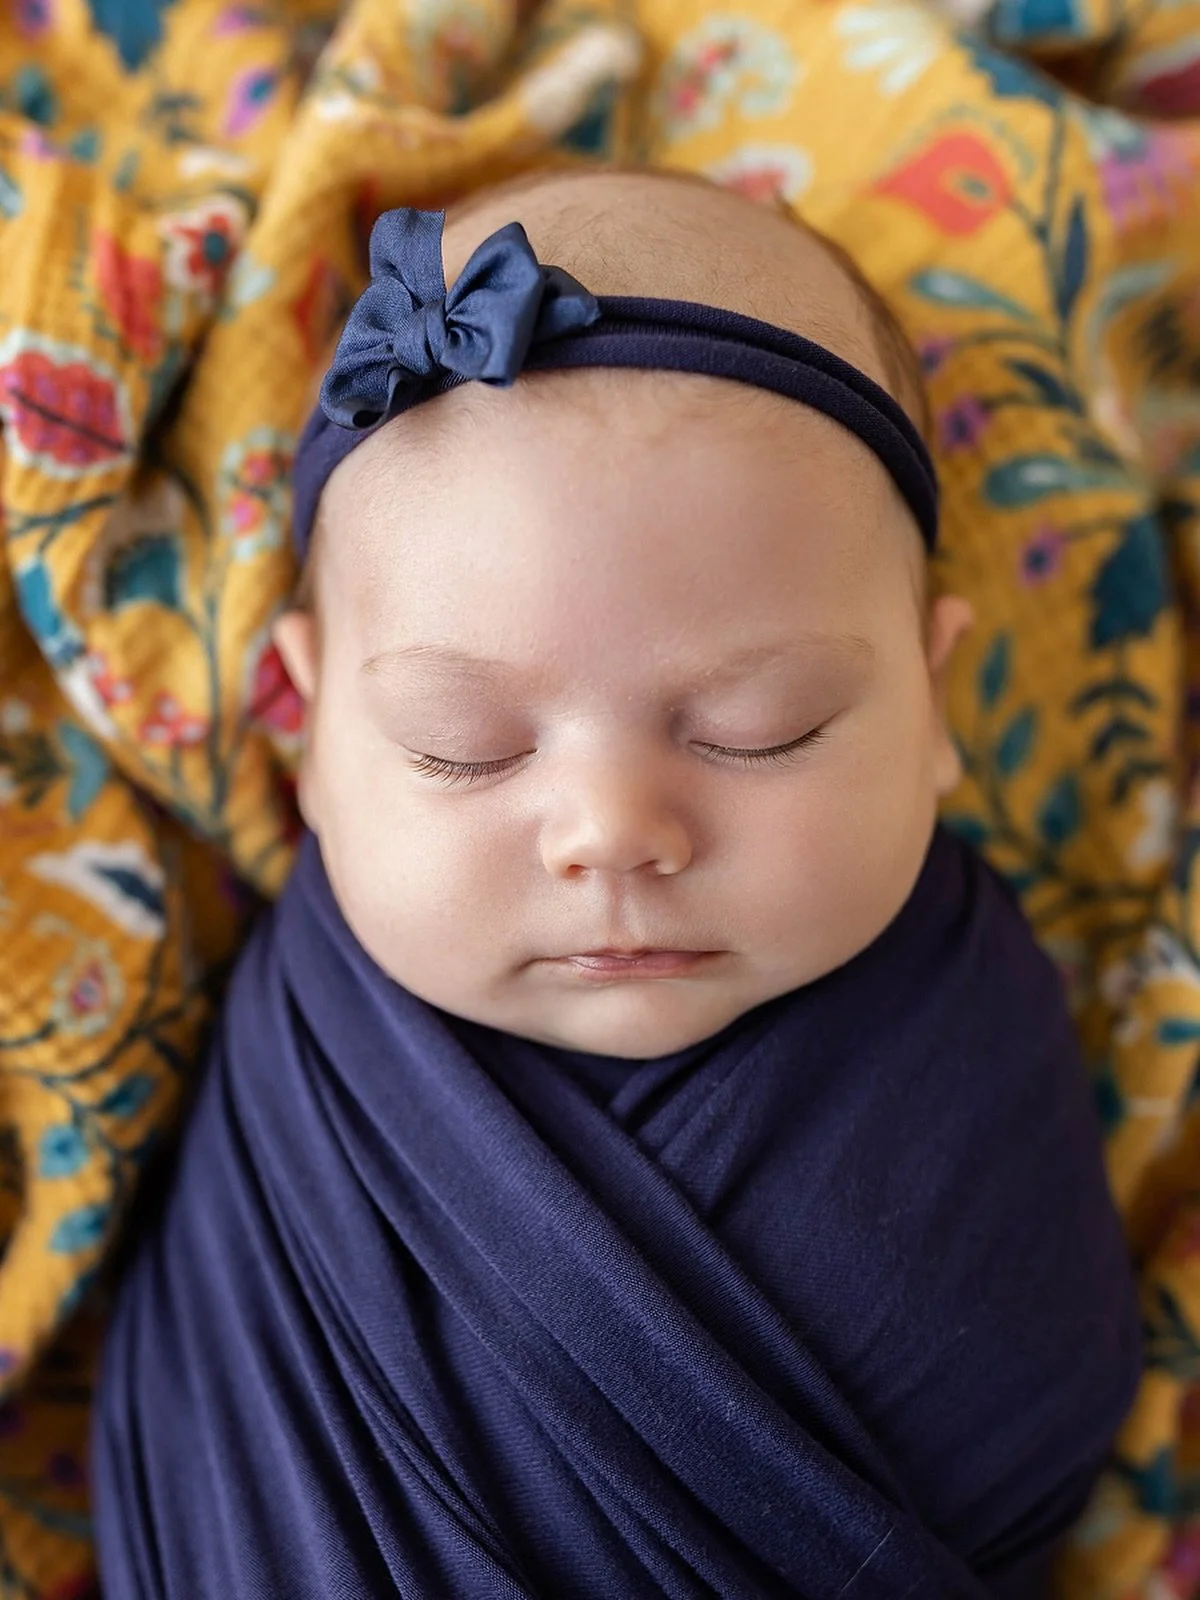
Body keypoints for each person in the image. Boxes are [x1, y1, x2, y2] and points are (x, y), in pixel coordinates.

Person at [93, 167, 1141, 1599]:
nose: (612, 833)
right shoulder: (306, 1075)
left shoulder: (969, 1054)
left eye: (757, 728)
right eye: (461, 750)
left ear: (936, 698)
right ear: (308, 734)